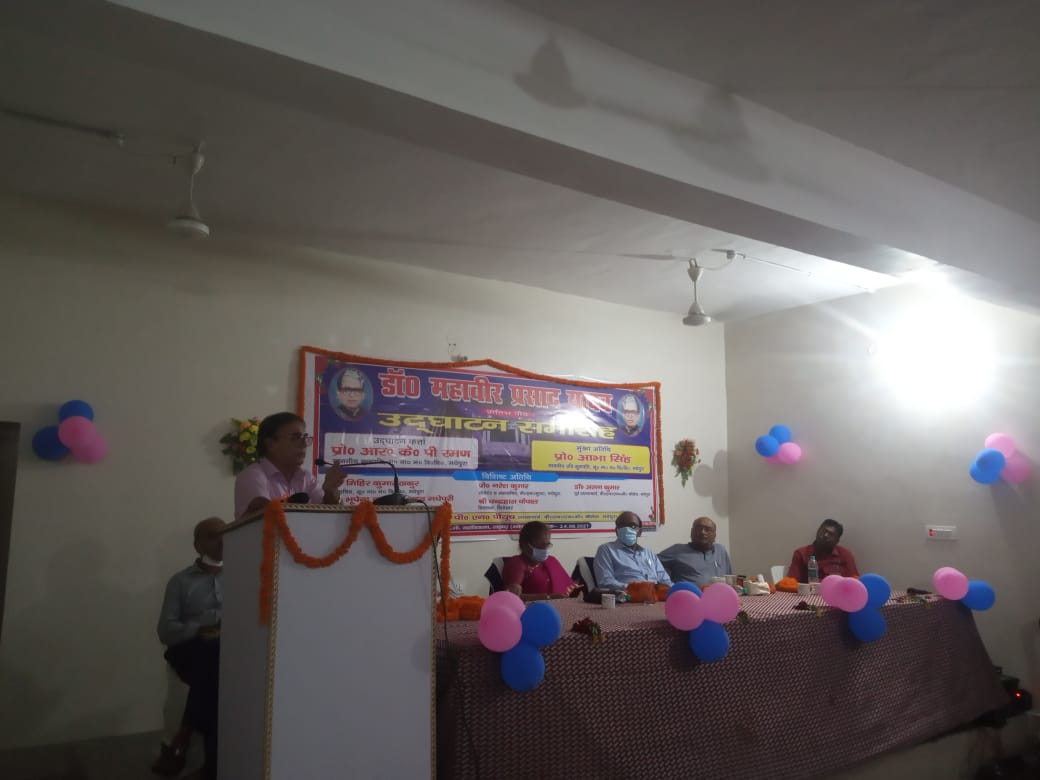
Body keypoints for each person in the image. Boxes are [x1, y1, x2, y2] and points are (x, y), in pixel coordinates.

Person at [153, 517, 226, 780]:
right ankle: (212, 766)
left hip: (224, 651)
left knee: (214, 669)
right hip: (188, 649)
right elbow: (165, 630)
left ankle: (183, 735)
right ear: (197, 545)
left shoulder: (245, 575)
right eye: (212, 535)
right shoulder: (181, 581)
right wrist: (201, 624)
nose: (221, 540)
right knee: (210, 656)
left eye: (225, 534)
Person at [234, 412, 346, 520]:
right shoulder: (253, 475)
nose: (303, 444)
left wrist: (330, 492)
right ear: (270, 444)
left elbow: (327, 517)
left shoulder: (306, 478)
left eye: (305, 437)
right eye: (296, 437)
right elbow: (263, 518)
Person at [593, 511, 672, 592]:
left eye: (632, 526)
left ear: (640, 532)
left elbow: (666, 581)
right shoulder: (606, 550)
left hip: (656, 598)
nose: (627, 529)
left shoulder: (649, 554)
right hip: (629, 599)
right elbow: (605, 582)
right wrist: (636, 588)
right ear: (616, 531)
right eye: (622, 525)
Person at [501, 521, 581, 600]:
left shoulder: (551, 561)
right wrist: (549, 597)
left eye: (547, 545)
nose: (545, 549)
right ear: (526, 545)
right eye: (541, 546)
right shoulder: (517, 563)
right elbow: (512, 597)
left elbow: (568, 588)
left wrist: (573, 591)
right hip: (530, 610)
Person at [659, 516, 733, 587]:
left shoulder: (721, 550)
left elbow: (730, 579)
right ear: (692, 532)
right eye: (698, 528)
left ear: (714, 535)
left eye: (707, 529)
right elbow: (652, 562)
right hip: (688, 598)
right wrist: (666, 584)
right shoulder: (677, 550)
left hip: (720, 597)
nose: (702, 532)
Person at [788, 518, 859, 582]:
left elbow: (855, 581)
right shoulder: (801, 553)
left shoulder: (845, 555)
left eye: (831, 534)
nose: (825, 535)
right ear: (817, 531)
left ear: (837, 540)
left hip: (836, 594)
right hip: (808, 594)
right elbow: (791, 582)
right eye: (823, 531)